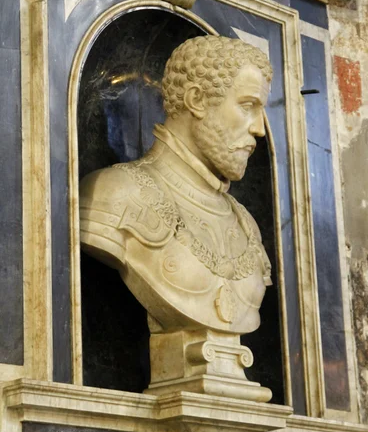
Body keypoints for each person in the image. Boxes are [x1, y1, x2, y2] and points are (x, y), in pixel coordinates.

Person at [80, 35, 273, 336]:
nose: (259, 129)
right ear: (196, 100)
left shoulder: (246, 224)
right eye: (248, 106)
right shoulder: (114, 193)